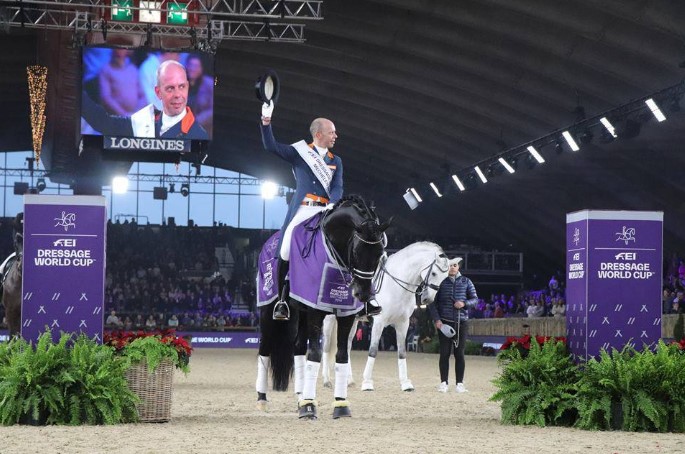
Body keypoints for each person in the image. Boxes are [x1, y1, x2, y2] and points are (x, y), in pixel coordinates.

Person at [260, 100, 381, 319]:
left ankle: (368, 297)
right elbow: (271, 146)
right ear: (318, 134)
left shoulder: (337, 160)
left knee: (357, 244)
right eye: (332, 132)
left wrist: (333, 204)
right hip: (304, 209)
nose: (336, 136)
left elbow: (338, 186)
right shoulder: (299, 153)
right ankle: (282, 300)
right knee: (286, 247)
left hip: (327, 209)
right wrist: (266, 120)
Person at [82, 60, 209, 140]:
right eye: (170, 88)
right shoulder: (143, 122)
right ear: (158, 92)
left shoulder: (198, 134)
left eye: (181, 87)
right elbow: (105, 123)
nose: (177, 95)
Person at [428, 257, 478, 393]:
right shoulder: (440, 282)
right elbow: (432, 303)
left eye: (455, 265)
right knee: (444, 353)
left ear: (458, 267)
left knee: (459, 353)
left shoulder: (466, 281)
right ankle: (443, 382)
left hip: (461, 322)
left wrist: (464, 304)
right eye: (450, 265)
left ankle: (459, 383)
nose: (452, 267)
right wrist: (437, 320)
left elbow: (475, 300)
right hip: (444, 323)